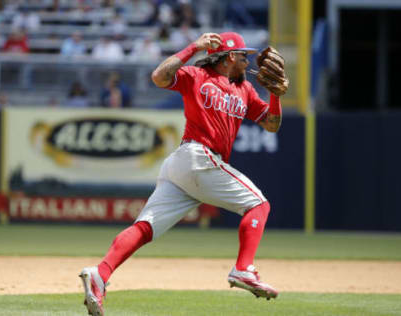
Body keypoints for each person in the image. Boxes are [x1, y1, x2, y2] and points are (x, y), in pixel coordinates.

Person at [79, 31, 284, 315]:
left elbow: (271, 124)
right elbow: (159, 77)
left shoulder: (245, 90)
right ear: (228, 57)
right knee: (259, 204)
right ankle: (243, 269)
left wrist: (274, 95)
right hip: (196, 156)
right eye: (243, 55)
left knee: (145, 227)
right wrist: (194, 47)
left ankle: (99, 274)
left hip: (185, 166)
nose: (248, 60)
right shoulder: (195, 76)